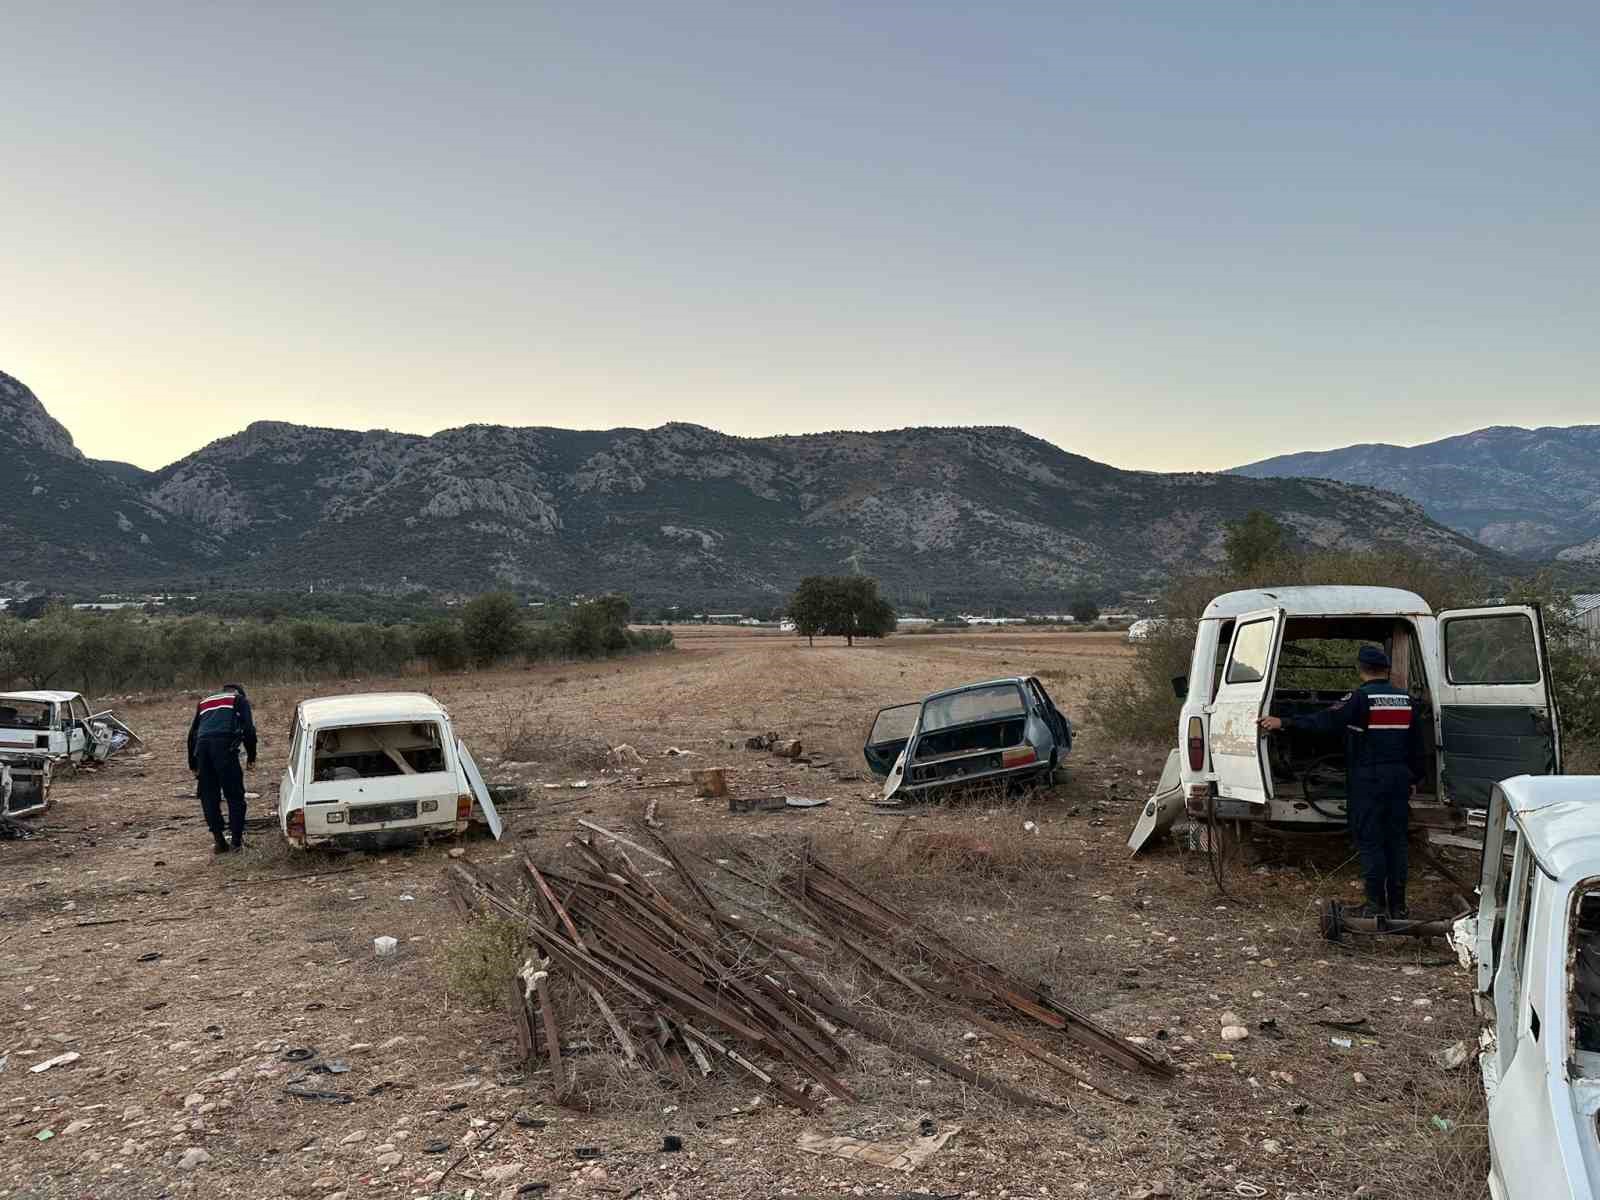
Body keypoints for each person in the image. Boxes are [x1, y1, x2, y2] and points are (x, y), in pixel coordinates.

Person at [1259, 645, 1423, 920]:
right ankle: (1398, 907)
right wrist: (1414, 778)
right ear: (1387, 670)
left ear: (1361, 670)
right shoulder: (1406, 699)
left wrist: (1283, 722)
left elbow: (1325, 721)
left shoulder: (1360, 698)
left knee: (1371, 841)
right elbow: (1417, 745)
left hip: (1369, 779)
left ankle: (1374, 906)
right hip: (1398, 779)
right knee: (1396, 842)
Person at [187, 683, 257, 853]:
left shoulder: (204, 702)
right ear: (240, 693)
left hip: (202, 750)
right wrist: (251, 757)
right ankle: (236, 843)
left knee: (208, 796)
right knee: (234, 795)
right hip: (224, 747)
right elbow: (248, 729)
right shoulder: (239, 700)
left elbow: (192, 735)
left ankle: (219, 841)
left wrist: (193, 764)